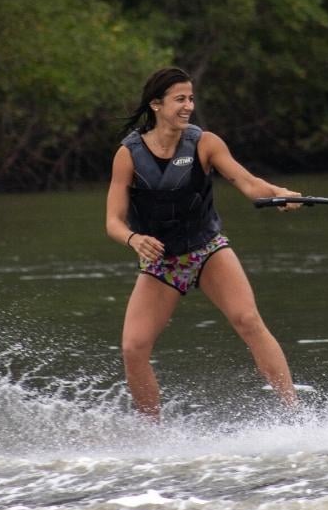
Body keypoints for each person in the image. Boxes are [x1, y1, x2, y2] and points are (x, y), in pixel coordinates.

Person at [105, 67, 301, 419]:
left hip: (206, 250)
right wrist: (134, 239)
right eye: (179, 99)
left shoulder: (205, 143)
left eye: (191, 99)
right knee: (133, 348)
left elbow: (249, 183)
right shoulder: (128, 155)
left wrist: (279, 194)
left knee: (248, 319)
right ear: (156, 104)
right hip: (162, 261)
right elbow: (113, 223)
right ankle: (153, 435)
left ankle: (296, 416)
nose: (188, 106)